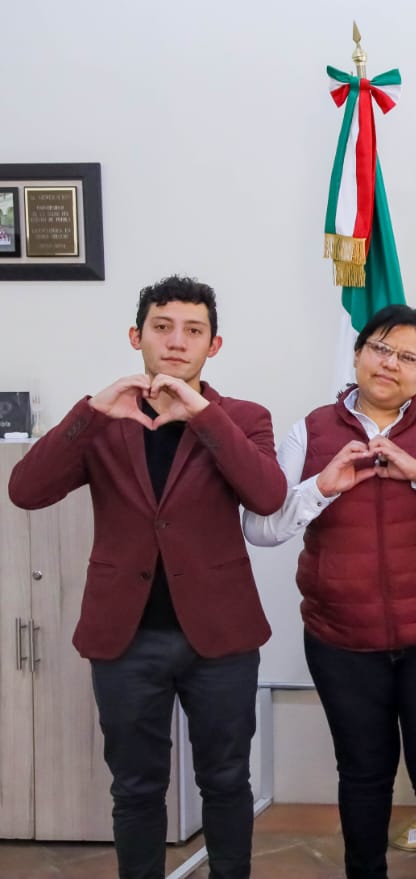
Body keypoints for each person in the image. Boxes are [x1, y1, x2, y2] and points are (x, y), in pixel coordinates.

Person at [7, 275, 286, 879]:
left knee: (226, 780)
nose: (176, 341)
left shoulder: (243, 417)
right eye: (162, 327)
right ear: (137, 336)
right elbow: (25, 490)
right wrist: (89, 412)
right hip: (125, 636)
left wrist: (203, 416)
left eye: (193, 330)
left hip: (221, 636)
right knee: (135, 787)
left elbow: (267, 495)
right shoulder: (105, 418)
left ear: (214, 345)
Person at [242, 304, 416, 879]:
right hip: (341, 640)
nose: (390, 364)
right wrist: (321, 488)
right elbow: (262, 527)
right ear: (357, 354)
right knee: (363, 774)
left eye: (408, 357)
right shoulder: (311, 430)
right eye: (380, 348)